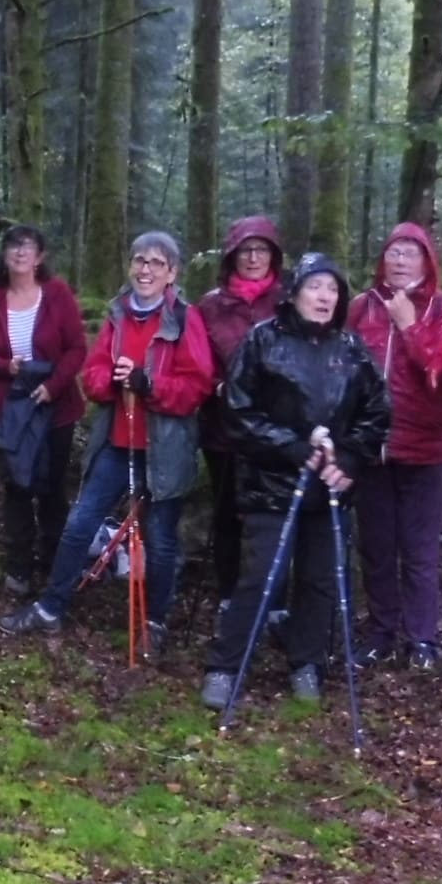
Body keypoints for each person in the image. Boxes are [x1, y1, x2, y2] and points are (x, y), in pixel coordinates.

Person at [0, 231, 216, 656]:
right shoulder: (118, 314)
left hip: (163, 449)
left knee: (160, 537)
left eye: (156, 263)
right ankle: (51, 605)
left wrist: (150, 384)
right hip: (117, 442)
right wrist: (112, 382)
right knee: (80, 523)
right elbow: (93, 374)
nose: (146, 269)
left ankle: (154, 621)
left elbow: (197, 385)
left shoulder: (184, 319)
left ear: (172, 273)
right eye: (139, 260)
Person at [200, 254, 389, 709]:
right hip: (271, 482)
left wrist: (347, 459)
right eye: (315, 287)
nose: (325, 297)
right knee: (262, 575)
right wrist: (294, 447)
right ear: (295, 292)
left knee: (321, 578)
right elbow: (239, 411)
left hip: (328, 486)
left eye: (333, 289)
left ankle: (308, 661)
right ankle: (225, 665)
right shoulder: (263, 342)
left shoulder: (350, 349)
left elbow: (377, 412)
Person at [346, 222, 442, 670]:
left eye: (410, 253)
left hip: (426, 448)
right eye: (393, 252)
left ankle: (422, 639)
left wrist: (410, 327)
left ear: (427, 261)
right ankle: (381, 632)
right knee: (376, 546)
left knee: (420, 550)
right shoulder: (361, 307)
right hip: (372, 448)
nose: (399, 261)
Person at [0, 224, 88, 596]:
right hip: (10, 409)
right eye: (13, 247)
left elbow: (76, 348)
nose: (20, 253)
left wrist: (53, 387)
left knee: (52, 490)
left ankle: (55, 566)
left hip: (55, 408)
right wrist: (6, 366)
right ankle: (19, 564)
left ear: (40, 257)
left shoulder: (57, 294)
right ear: (4, 255)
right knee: (16, 489)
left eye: (28, 247)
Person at [193, 216, 284, 604]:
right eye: (245, 249)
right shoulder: (211, 305)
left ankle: (275, 599)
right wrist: (219, 386)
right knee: (227, 511)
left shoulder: (288, 300)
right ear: (232, 255)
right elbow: (199, 357)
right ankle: (229, 592)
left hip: (276, 426)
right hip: (223, 426)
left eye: (260, 249)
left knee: (273, 515)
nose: (252, 257)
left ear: (273, 255)